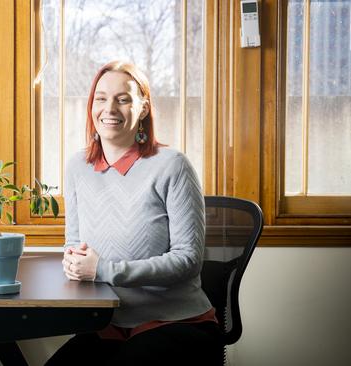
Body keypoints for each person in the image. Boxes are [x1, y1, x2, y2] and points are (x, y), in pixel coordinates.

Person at [46, 61, 222, 365]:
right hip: (107, 324)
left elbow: (188, 260)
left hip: (174, 321)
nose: (109, 108)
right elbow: (73, 242)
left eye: (123, 99)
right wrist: (73, 262)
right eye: (101, 98)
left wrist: (103, 270)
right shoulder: (77, 167)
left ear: (142, 108)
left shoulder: (172, 165)